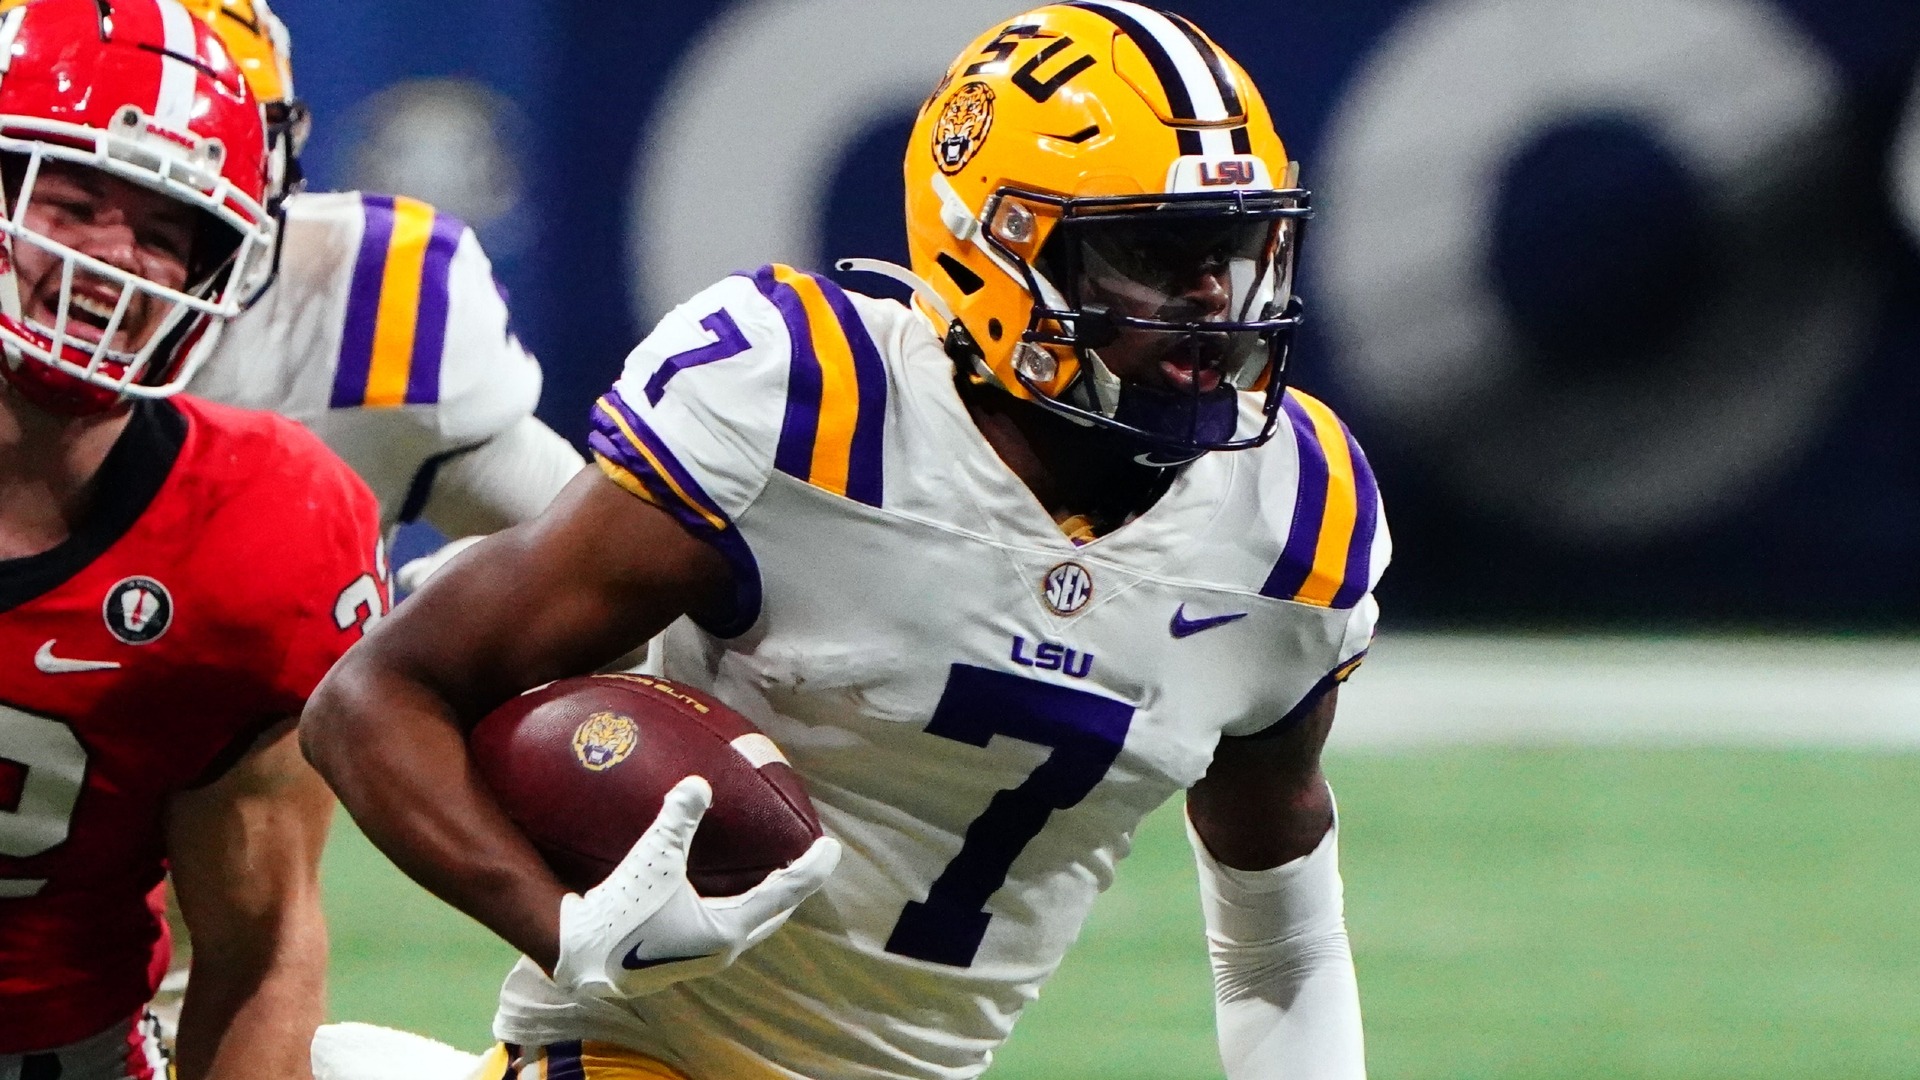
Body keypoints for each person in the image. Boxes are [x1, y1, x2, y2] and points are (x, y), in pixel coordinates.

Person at [303, 3, 1386, 1078]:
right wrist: (564, 930)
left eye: (1239, 250)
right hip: (648, 1049)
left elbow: (1277, 930)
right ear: (995, 253)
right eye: (1157, 253)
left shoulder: (1295, 513)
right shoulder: (811, 412)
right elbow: (374, 698)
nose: (1214, 302)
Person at [0, 1, 386, 1077]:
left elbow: (260, 956)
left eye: (169, 231)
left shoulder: (259, 526)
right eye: (74, 203)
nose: (116, 258)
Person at [0, 0, 589, 541]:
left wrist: (441, 641)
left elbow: (598, 580)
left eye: (182, 193)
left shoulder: (360, 309)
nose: (113, 253)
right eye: (73, 199)